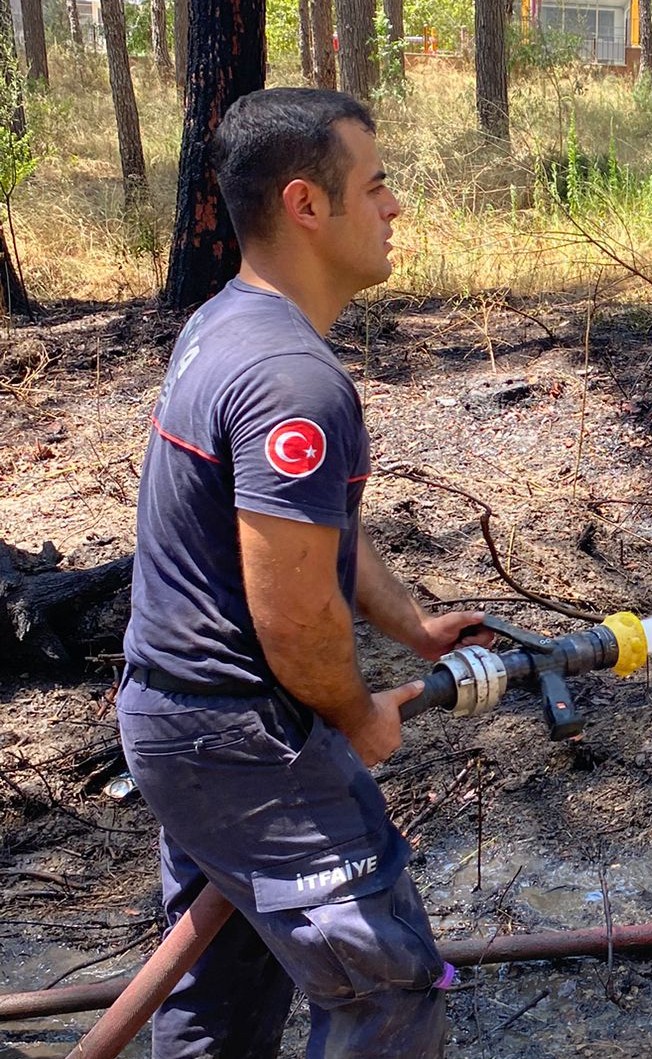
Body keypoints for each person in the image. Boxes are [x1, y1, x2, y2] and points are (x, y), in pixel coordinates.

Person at [117, 88, 492, 1059]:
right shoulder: (293, 380)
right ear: (306, 205)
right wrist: (358, 713)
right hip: (246, 741)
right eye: (375, 185)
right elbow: (290, 615)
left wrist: (411, 626)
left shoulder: (227, 323)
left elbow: (308, 531)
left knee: (222, 992)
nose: (394, 206)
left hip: (177, 726)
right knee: (386, 984)